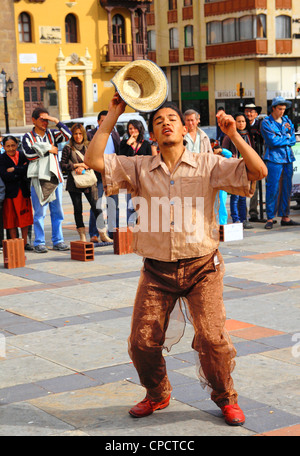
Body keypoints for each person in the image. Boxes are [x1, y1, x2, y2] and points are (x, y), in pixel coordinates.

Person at [84, 92, 267, 427]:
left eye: (172, 119)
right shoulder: (139, 167)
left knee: (214, 340)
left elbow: (258, 170)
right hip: (156, 271)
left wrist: (234, 135)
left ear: (185, 129)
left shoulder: (209, 163)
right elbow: (94, 160)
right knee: (141, 342)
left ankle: (226, 398)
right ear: (152, 134)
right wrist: (113, 114)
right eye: (158, 121)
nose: (166, 123)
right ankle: (157, 394)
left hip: (202, 268)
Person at [22, 107, 72, 253]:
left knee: (58, 212)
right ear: (33, 120)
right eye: (42, 119)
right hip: (38, 179)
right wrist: (48, 148)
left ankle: (58, 240)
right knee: (39, 213)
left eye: (47, 120)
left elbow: (67, 135)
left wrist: (56, 121)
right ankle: (39, 242)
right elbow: (29, 155)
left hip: (55, 177)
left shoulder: (52, 134)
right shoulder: (28, 137)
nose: (45, 122)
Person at [60, 124, 105, 242]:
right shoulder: (68, 148)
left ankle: (103, 233)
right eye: (75, 133)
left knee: (96, 207)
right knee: (78, 209)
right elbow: (62, 165)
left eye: (80, 133)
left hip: (89, 179)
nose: (78, 136)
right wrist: (76, 166)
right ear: (72, 135)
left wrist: (84, 167)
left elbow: (96, 161)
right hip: (74, 182)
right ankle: (82, 235)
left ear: (83, 134)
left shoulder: (89, 146)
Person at [260, 96, 299, 229]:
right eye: (280, 109)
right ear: (273, 108)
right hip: (274, 159)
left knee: (287, 188)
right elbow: (272, 142)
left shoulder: (287, 120)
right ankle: (270, 218)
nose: (282, 111)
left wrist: (284, 137)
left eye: (284, 109)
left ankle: (285, 216)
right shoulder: (266, 122)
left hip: (288, 158)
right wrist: (286, 136)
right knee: (273, 187)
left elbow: (293, 138)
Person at [87, 110, 120, 242]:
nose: (106, 123)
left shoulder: (115, 135)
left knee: (113, 204)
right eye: (103, 121)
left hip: (112, 174)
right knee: (95, 204)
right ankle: (94, 234)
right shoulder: (90, 135)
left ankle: (113, 233)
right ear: (98, 122)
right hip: (96, 175)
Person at [0, 136, 33, 250]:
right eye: (8, 146)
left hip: (23, 192)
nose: (11, 148)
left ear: (17, 145)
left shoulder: (23, 155)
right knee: (11, 220)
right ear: (3, 147)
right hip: (9, 194)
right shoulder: (2, 158)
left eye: (13, 145)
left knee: (25, 219)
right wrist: (21, 171)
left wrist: (14, 170)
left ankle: (24, 243)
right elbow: (4, 175)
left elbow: (29, 168)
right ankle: (14, 243)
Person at [222, 113, 255, 229]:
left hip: (245, 170)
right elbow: (224, 153)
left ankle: (244, 219)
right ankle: (236, 219)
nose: (241, 124)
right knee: (235, 196)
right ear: (234, 122)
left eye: (243, 121)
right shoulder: (229, 136)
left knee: (243, 196)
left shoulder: (248, 136)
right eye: (239, 121)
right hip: (234, 169)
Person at [120, 119, 152, 224]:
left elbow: (149, 160)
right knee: (130, 205)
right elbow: (122, 158)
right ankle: (131, 228)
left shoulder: (146, 144)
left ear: (140, 129)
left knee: (143, 203)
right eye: (130, 128)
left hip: (143, 177)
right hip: (130, 178)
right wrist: (129, 144)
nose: (132, 131)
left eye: (135, 128)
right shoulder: (124, 143)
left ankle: (143, 226)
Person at [244, 103, 265, 222]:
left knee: (255, 186)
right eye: (247, 111)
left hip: (257, 159)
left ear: (256, 114)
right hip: (244, 160)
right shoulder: (242, 125)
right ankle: (243, 214)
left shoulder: (260, 125)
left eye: (252, 112)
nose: (249, 114)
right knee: (242, 185)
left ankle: (253, 213)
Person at [212, 144, 232, 225]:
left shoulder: (223, 159)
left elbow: (229, 154)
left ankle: (222, 223)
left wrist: (221, 150)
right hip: (211, 185)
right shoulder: (208, 158)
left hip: (221, 186)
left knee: (222, 204)